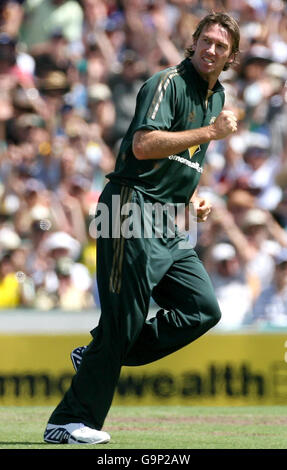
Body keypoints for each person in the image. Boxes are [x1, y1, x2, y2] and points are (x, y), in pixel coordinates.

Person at [43, 12, 240, 445]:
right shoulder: (167, 83)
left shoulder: (218, 96)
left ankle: (99, 354)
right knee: (123, 320)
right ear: (193, 42)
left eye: (220, 46)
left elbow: (178, 161)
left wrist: (192, 197)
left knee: (203, 308)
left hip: (165, 218)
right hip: (128, 209)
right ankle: (68, 421)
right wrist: (210, 131)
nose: (211, 50)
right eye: (205, 41)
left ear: (231, 56)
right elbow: (142, 145)